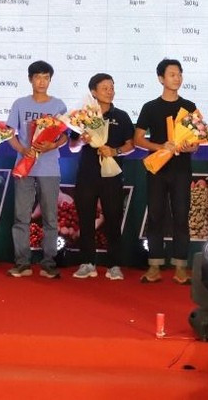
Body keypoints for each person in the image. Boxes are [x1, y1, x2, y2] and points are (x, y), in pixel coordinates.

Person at [134, 59, 199, 283]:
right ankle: (154, 266)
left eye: (179, 74)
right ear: (161, 78)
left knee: (181, 215)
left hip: (181, 169)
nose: (177, 78)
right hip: (157, 169)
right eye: (172, 74)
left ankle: (181, 267)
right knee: (155, 215)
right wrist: (160, 147)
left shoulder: (189, 106)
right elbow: (138, 139)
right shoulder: (150, 107)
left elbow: (197, 141)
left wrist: (190, 146)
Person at [6, 60, 68, 279]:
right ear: (30, 79)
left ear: (50, 80)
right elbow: (9, 134)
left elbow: (64, 136)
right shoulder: (20, 104)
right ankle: (22, 262)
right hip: (24, 167)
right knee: (21, 217)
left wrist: (53, 144)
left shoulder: (58, 105)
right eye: (38, 77)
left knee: (50, 218)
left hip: (49, 168)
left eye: (46, 78)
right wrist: (22, 149)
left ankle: (48, 262)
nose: (42, 82)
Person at [69, 73, 134, 280]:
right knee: (86, 219)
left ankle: (114, 264)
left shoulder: (121, 116)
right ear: (94, 92)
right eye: (105, 88)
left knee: (113, 220)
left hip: (112, 176)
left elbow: (131, 144)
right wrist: (82, 140)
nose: (110, 91)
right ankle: (87, 262)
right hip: (87, 175)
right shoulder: (84, 115)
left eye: (112, 87)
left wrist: (115, 152)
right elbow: (72, 146)